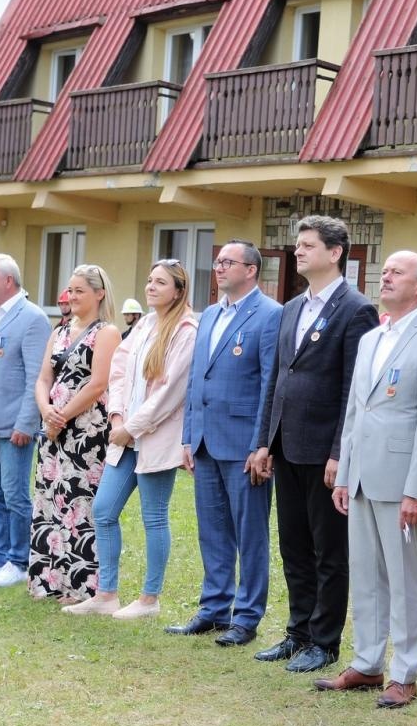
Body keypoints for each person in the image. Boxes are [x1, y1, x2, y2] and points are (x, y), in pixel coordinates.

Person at [316, 251, 417, 706]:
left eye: (398, 272)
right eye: (386, 271)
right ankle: (367, 663)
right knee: (365, 575)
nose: (387, 277)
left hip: (401, 482)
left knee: (403, 578)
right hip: (361, 477)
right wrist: (345, 469)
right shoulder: (372, 338)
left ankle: (405, 672)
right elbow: (356, 411)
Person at [253, 215, 377, 673]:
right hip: (286, 445)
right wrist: (266, 440)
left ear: (335, 252)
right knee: (294, 546)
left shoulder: (355, 308)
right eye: (297, 244)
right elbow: (277, 380)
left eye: (308, 245)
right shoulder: (290, 308)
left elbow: (352, 389)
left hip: (324, 450)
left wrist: (339, 453)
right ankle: (297, 630)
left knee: (330, 551)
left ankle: (324, 641)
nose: (298, 251)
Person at [70, 260, 197, 618]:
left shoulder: (186, 330)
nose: (151, 287)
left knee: (154, 516)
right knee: (103, 510)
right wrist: (117, 416)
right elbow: (120, 371)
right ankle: (106, 593)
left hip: (153, 436)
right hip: (124, 433)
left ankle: (149, 600)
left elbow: (172, 392)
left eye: (160, 282)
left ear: (178, 290)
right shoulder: (144, 323)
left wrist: (133, 427)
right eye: (149, 280)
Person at [171, 241, 282, 645]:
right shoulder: (211, 314)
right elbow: (197, 377)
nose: (218, 268)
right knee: (212, 530)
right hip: (204, 439)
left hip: (243, 445)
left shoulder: (270, 315)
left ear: (251, 270)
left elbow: (271, 383)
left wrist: (261, 444)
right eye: (217, 262)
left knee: (249, 532)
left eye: (227, 262)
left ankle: (246, 617)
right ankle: (215, 607)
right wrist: (187, 435)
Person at [0, 254, 62, 589]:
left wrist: (25, 422)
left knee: (14, 494)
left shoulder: (31, 317)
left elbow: (36, 375)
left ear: (8, 280)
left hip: (13, 424)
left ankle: (20, 560)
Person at [28, 265, 120, 602]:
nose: (72, 296)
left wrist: (62, 415)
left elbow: (98, 383)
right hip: (53, 429)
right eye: (71, 289)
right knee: (51, 500)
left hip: (86, 432)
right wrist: (46, 411)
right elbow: (43, 379)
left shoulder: (107, 332)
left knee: (80, 503)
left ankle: (82, 584)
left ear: (99, 293)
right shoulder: (60, 330)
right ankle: (49, 579)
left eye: (80, 289)